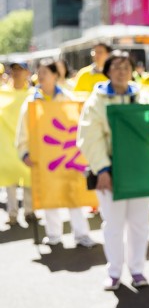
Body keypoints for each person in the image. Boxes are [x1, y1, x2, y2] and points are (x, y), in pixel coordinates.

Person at [77, 50, 149, 291]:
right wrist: (102, 169)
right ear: (108, 70)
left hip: (140, 171)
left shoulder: (144, 97)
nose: (122, 71)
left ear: (132, 70)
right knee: (112, 224)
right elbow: (90, 138)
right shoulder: (96, 101)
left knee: (140, 223)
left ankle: (138, 271)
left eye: (126, 66)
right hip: (110, 173)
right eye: (117, 66)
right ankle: (114, 272)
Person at [16, 58, 97, 247]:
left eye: (45, 72)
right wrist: (25, 153)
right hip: (44, 158)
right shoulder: (31, 102)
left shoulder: (68, 99)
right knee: (49, 197)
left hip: (67, 156)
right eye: (39, 73)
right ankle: (54, 235)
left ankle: (81, 234)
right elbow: (23, 132)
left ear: (55, 75)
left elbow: (77, 125)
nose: (41, 77)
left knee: (73, 196)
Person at [2, 61, 35, 225]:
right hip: (6, 144)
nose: (16, 73)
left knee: (29, 178)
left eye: (20, 70)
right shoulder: (2, 93)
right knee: (10, 180)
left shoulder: (33, 94)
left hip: (26, 142)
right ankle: (12, 214)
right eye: (14, 69)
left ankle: (30, 211)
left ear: (27, 73)